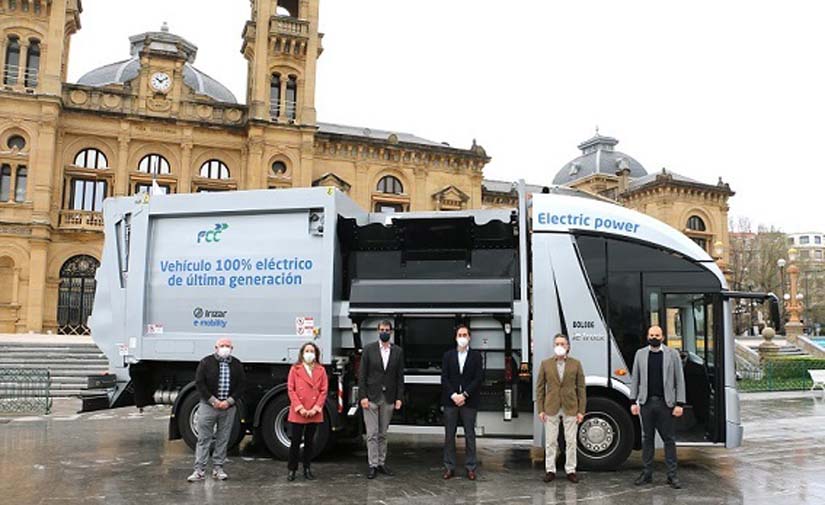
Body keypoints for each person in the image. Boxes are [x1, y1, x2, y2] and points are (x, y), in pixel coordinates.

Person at [630, 325, 686, 489]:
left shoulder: (672, 354)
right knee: (647, 439)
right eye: (651, 335)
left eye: (657, 335)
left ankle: (672, 476)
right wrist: (633, 401)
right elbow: (635, 379)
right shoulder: (640, 354)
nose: (654, 337)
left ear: (662, 337)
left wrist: (680, 403)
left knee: (669, 440)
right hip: (646, 404)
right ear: (647, 336)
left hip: (666, 404)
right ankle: (647, 474)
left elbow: (679, 379)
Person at [188, 338, 246, 482]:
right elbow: (200, 383)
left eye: (228, 346)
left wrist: (229, 401)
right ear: (216, 347)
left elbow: (241, 385)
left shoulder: (237, 364)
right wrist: (213, 401)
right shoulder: (206, 362)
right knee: (203, 439)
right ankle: (199, 470)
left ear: (232, 348)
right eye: (222, 346)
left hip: (228, 408)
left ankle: (218, 468)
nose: (225, 348)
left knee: (223, 438)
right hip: (208, 407)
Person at [535, 333, 586, 484]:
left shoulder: (576, 364)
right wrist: (540, 409)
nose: (560, 346)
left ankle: (571, 470)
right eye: (557, 344)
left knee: (571, 441)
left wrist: (581, 411)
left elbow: (581, 389)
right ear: (553, 346)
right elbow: (539, 388)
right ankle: (550, 470)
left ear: (568, 346)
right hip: (551, 407)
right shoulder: (545, 364)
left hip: (571, 407)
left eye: (563, 344)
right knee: (551, 441)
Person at [358, 320, 405, 479]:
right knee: (372, 433)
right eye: (382, 329)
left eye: (387, 330)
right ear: (378, 331)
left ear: (391, 332)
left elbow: (400, 377)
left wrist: (399, 397)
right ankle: (372, 465)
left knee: (383, 433)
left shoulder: (397, 351)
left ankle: (381, 462)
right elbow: (362, 375)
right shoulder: (369, 349)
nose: (384, 332)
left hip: (389, 397)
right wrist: (362, 396)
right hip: (371, 396)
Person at [441, 325, 483, 481]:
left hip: (469, 401)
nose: (462, 337)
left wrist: (464, 395)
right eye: (460, 334)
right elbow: (444, 378)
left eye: (465, 334)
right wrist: (453, 395)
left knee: (470, 435)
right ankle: (449, 467)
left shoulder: (476, 356)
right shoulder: (448, 356)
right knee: (449, 436)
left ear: (470, 337)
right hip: (451, 401)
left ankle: (471, 468)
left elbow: (478, 378)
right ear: (455, 337)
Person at [286, 341, 328, 481]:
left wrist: (316, 408)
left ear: (316, 354)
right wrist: (300, 408)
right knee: (295, 441)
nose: (309, 354)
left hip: (314, 411)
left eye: (312, 351)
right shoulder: (295, 369)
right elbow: (291, 389)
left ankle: (307, 468)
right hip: (299, 411)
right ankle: (292, 469)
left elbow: (323, 390)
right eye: (307, 351)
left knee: (310, 442)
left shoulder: (321, 370)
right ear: (302, 353)